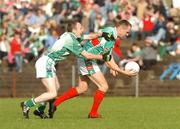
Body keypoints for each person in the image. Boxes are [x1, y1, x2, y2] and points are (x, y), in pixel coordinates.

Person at [20, 21, 111, 119]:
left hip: (47, 62)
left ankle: (40, 110)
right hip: (46, 62)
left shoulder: (68, 35)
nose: (83, 30)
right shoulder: (72, 41)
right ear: (74, 30)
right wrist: (103, 57)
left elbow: (88, 37)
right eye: (80, 28)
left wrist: (100, 34)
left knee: (56, 87)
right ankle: (27, 104)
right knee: (53, 93)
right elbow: (87, 55)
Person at [52, 20, 137, 118]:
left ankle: (55, 103)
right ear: (121, 29)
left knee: (82, 88)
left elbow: (108, 56)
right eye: (127, 32)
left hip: (86, 58)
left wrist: (115, 67)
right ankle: (93, 113)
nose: (127, 34)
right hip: (87, 59)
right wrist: (123, 72)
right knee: (103, 86)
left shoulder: (112, 35)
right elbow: (106, 58)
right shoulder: (109, 34)